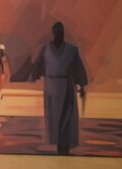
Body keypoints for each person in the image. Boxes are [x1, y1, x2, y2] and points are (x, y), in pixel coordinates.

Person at [31, 21, 88, 156]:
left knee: (66, 117)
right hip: (51, 87)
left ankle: (64, 145)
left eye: (60, 32)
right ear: (53, 33)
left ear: (63, 34)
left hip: (66, 86)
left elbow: (78, 68)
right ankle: (57, 143)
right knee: (53, 118)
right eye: (57, 32)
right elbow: (38, 66)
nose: (59, 34)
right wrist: (34, 75)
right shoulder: (46, 50)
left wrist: (82, 86)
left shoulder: (71, 50)